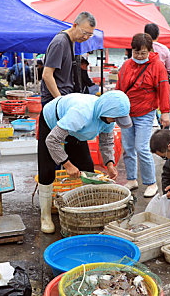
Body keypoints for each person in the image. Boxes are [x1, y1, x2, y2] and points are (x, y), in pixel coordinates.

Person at [38, 91, 132, 233]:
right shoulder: (81, 113)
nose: (115, 121)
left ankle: (84, 208)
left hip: (76, 132)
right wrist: (67, 164)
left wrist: (110, 164)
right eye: (114, 118)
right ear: (107, 111)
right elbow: (52, 140)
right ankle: (45, 216)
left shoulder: (107, 117)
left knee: (87, 168)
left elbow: (106, 141)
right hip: (51, 121)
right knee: (47, 170)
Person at [116, 33, 170, 198]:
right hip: (126, 113)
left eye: (143, 53)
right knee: (128, 149)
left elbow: (164, 89)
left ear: (150, 50)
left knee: (142, 147)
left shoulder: (157, 65)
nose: (139, 56)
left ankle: (151, 183)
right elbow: (119, 88)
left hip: (146, 113)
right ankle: (132, 179)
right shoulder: (126, 65)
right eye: (136, 52)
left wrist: (165, 112)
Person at [40, 11, 96, 107]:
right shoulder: (60, 42)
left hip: (64, 97)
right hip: (54, 100)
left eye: (90, 35)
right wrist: (60, 101)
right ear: (75, 25)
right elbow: (47, 75)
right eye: (84, 33)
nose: (86, 37)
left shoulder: (71, 41)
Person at [144, 23, 170, 92]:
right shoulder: (164, 49)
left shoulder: (140, 48)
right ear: (158, 35)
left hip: (143, 82)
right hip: (160, 81)